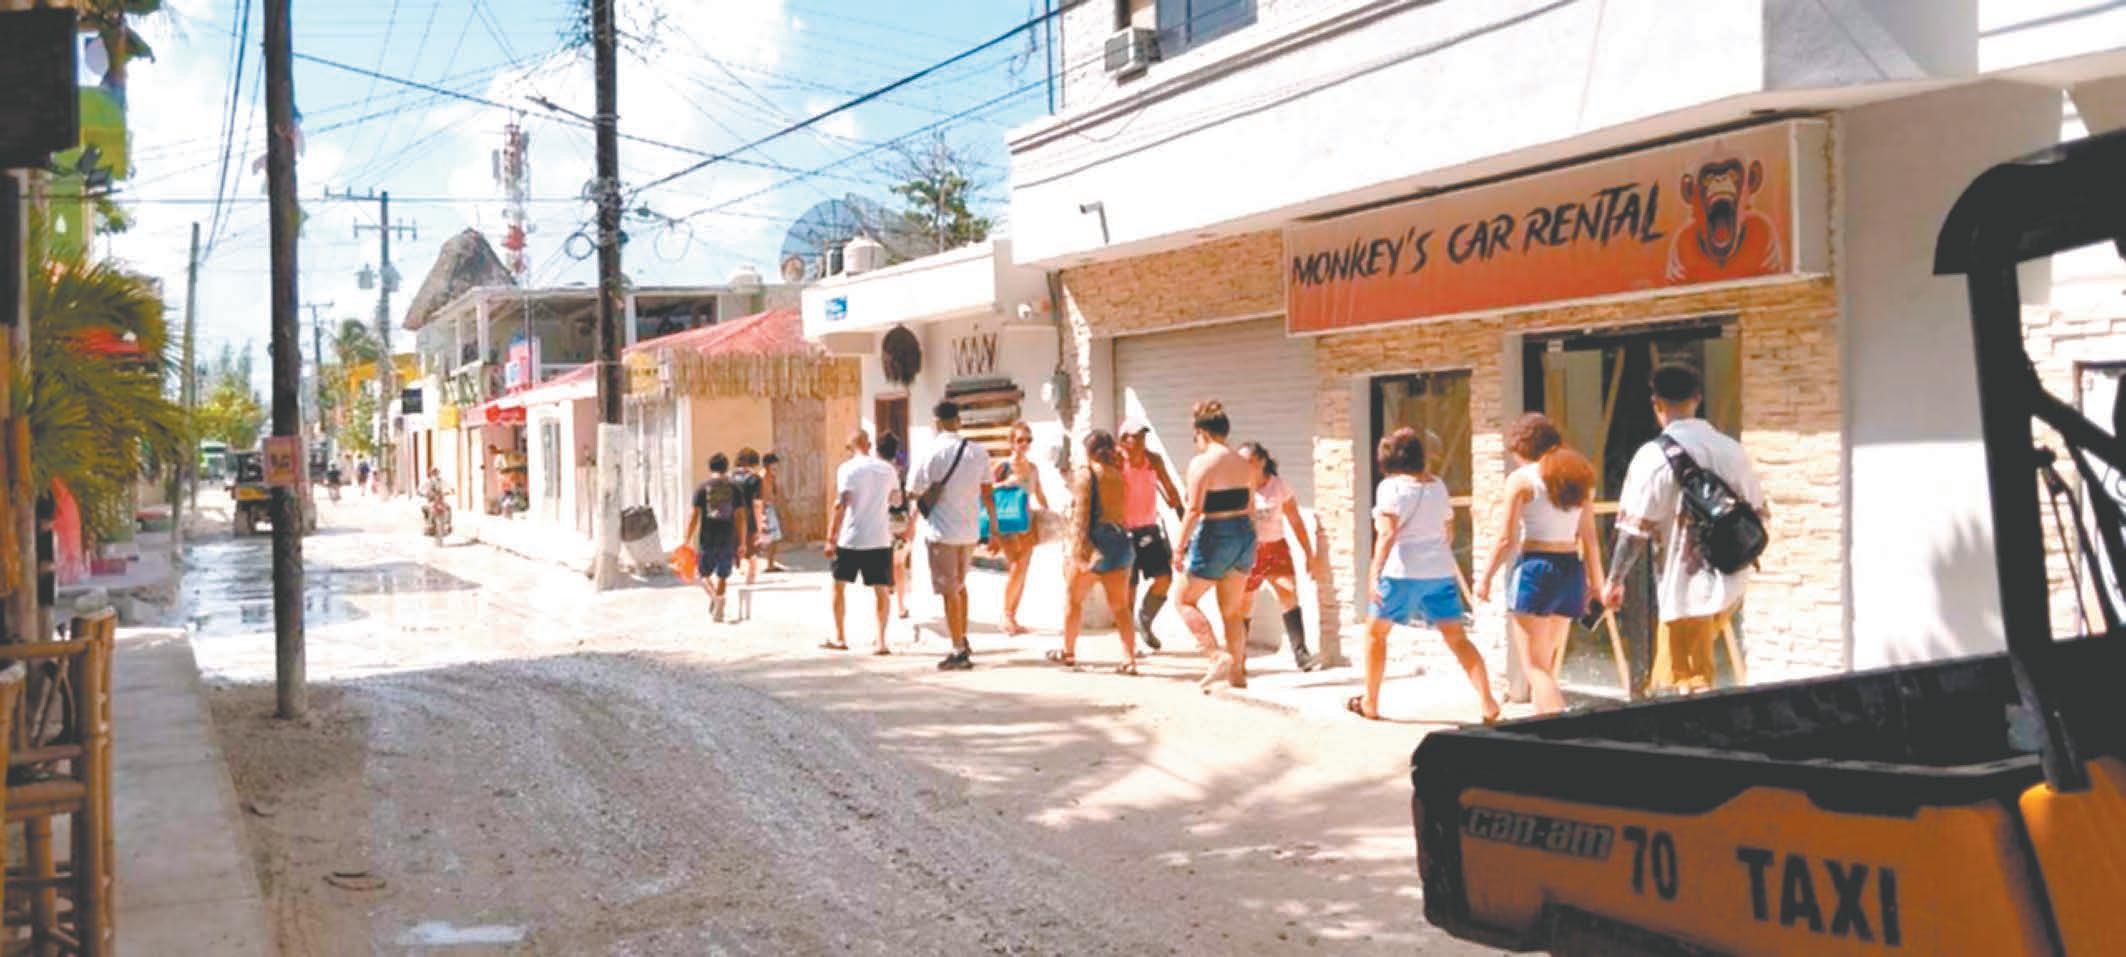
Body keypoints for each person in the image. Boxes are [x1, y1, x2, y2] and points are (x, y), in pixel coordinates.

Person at [1602, 363, 1768, 695]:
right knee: (1693, 674)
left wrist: (1615, 580)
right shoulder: (1731, 450)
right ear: (1697, 398)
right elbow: (1759, 515)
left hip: (1683, 587)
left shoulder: (1652, 457)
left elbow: (1633, 532)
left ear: (1656, 403)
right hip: (1729, 580)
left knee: (1686, 682)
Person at [1358, 427, 1497, 722]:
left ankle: (1370, 702)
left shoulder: (1390, 488)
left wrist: (1373, 574)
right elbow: (1448, 529)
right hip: (1439, 572)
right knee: (1458, 639)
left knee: (1375, 634)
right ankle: (1488, 701)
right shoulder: (1438, 486)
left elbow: (1387, 534)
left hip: (1400, 573)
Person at [1475, 414, 1605, 715]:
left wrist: (1485, 578)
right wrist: (1596, 584)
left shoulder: (1521, 480)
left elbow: (1506, 539)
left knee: (1535, 667)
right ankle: (1542, 723)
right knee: (1547, 663)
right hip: (1570, 569)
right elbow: (1590, 538)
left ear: (1522, 447)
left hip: (1535, 568)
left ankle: (1561, 728)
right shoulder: (1578, 476)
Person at [1169, 400, 1258, 689]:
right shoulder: (1244, 462)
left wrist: (1179, 547)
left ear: (1202, 433)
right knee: (1232, 610)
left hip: (1216, 532)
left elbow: (1194, 509)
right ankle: (1237, 673)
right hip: (1244, 532)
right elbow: (1251, 505)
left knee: (1184, 600)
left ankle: (1215, 655)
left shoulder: (1202, 463)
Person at [908, 400, 997, 671]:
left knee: (949, 591)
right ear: (958, 421)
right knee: (960, 586)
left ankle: (958, 650)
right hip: (970, 531)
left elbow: (913, 490)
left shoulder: (930, 451)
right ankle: (963, 637)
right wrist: (994, 529)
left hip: (942, 531)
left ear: (936, 422)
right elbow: (988, 494)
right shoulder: (978, 452)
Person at [1047, 430, 1140, 674]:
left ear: (1088, 449)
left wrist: (1077, 552)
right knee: (1120, 607)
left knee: (1073, 600)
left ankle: (1068, 653)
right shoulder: (1118, 475)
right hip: (1120, 541)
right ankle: (1129, 659)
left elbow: (1081, 516)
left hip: (1096, 544)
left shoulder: (1087, 473)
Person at [1237, 442, 1319, 672]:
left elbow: (1295, 520)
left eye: (1248, 462)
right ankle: (1238, 656)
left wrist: (1308, 553)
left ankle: (1301, 653)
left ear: (1261, 462)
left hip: (1275, 547)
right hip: (1249, 550)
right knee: (1244, 602)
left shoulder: (1279, 486)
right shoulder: (1238, 488)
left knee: (1288, 592)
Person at [825, 431, 898, 655]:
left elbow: (841, 504)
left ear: (850, 447)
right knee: (881, 590)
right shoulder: (888, 469)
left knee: (838, 586)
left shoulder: (846, 469)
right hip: (880, 537)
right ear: (869, 444)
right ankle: (881, 641)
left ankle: (840, 637)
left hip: (852, 537)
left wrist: (830, 537)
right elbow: (896, 500)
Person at [1117, 418, 1185, 650]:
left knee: (1164, 578)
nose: (1140, 442)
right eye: (1136, 437)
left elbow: (1171, 491)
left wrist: (1184, 521)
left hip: (1148, 529)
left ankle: (1144, 619)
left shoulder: (1153, 460)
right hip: (1123, 532)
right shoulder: (1116, 461)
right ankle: (1128, 645)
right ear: (1124, 440)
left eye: (1143, 437)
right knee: (1129, 589)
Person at [993, 421, 1049, 635]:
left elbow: (1039, 492)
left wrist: (1047, 513)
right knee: (1016, 566)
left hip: (1027, 522)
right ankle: (1005, 615)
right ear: (1011, 443)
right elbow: (986, 491)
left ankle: (1012, 617)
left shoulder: (1033, 468)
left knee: (1023, 569)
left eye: (1028, 440)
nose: (1024, 444)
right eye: (1020, 440)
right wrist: (1005, 484)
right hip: (1007, 523)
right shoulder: (1002, 466)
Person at [683, 453, 742, 623]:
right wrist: (742, 541)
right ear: (726, 467)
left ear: (710, 467)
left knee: (702, 574)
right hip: (728, 536)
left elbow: (694, 515)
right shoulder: (735, 488)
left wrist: (686, 539)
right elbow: (741, 516)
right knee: (723, 574)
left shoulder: (702, 488)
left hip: (707, 537)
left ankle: (715, 598)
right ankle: (719, 607)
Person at [877, 432, 915, 620]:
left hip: (880, 521)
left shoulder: (875, 472)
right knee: (899, 565)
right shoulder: (901, 472)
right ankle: (900, 606)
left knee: (882, 563)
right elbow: (907, 499)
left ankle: (883, 604)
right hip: (900, 521)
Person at [730, 448, 767, 586]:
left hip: (732, 517)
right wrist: (760, 526)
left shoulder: (730, 477)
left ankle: (741, 569)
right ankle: (750, 576)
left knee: (736, 543)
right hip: (748, 516)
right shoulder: (755, 479)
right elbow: (757, 504)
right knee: (751, 548)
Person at [759, 451, 787, 573]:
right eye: (773, 466)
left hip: (770, 508)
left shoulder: (771, 476)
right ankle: (767, 564)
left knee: (774, 537)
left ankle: (770, 563)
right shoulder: (761, 477)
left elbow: (774, 492)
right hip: (765, 509)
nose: (776, 468)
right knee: (768, 538)